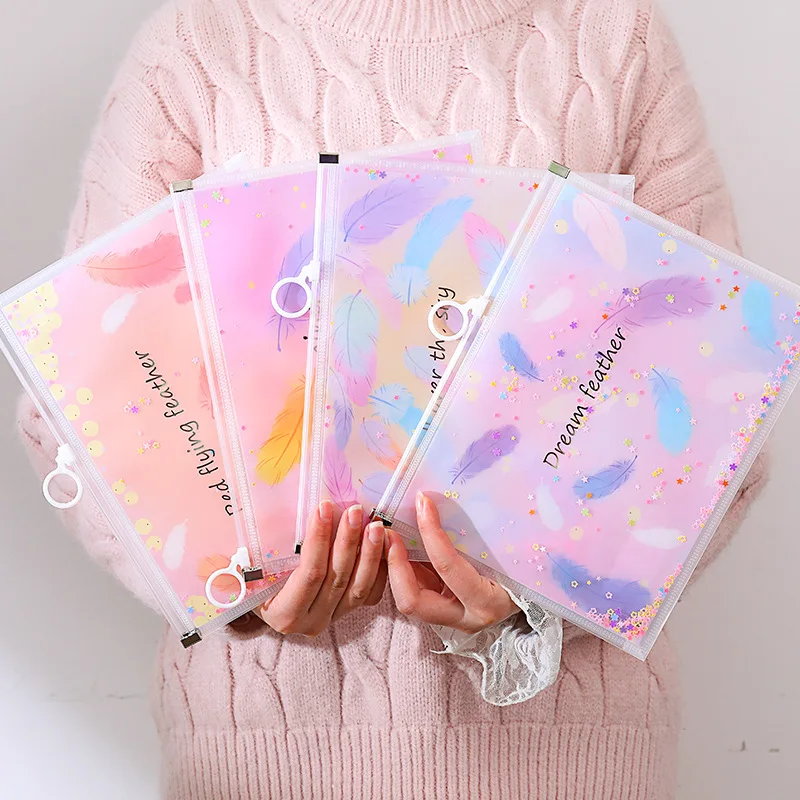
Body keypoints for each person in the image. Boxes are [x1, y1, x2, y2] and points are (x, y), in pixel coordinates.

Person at [19, 0, 767, 797]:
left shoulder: (615, 38)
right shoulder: (198, 44)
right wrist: (233, 592)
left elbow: (726, 401)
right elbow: (71, 397)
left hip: (570, 752)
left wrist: (539, 598)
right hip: (264, 749)